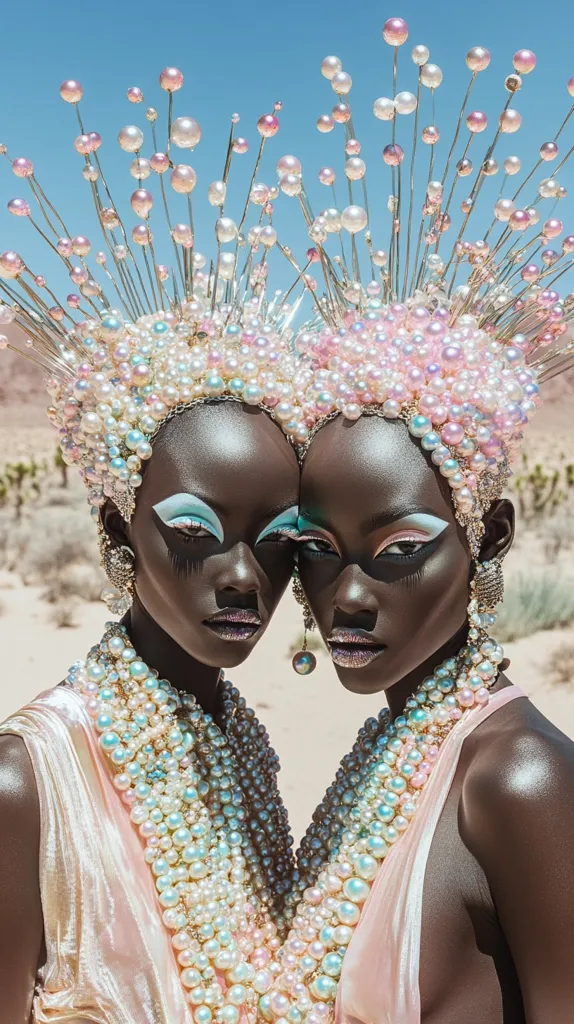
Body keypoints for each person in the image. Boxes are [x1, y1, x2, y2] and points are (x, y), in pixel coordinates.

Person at [0, 67, 311, 1023]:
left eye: (279, 542)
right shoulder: (29, 782)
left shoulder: (245, 748)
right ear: (116, 533)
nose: (243, 577)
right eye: (195, 532)